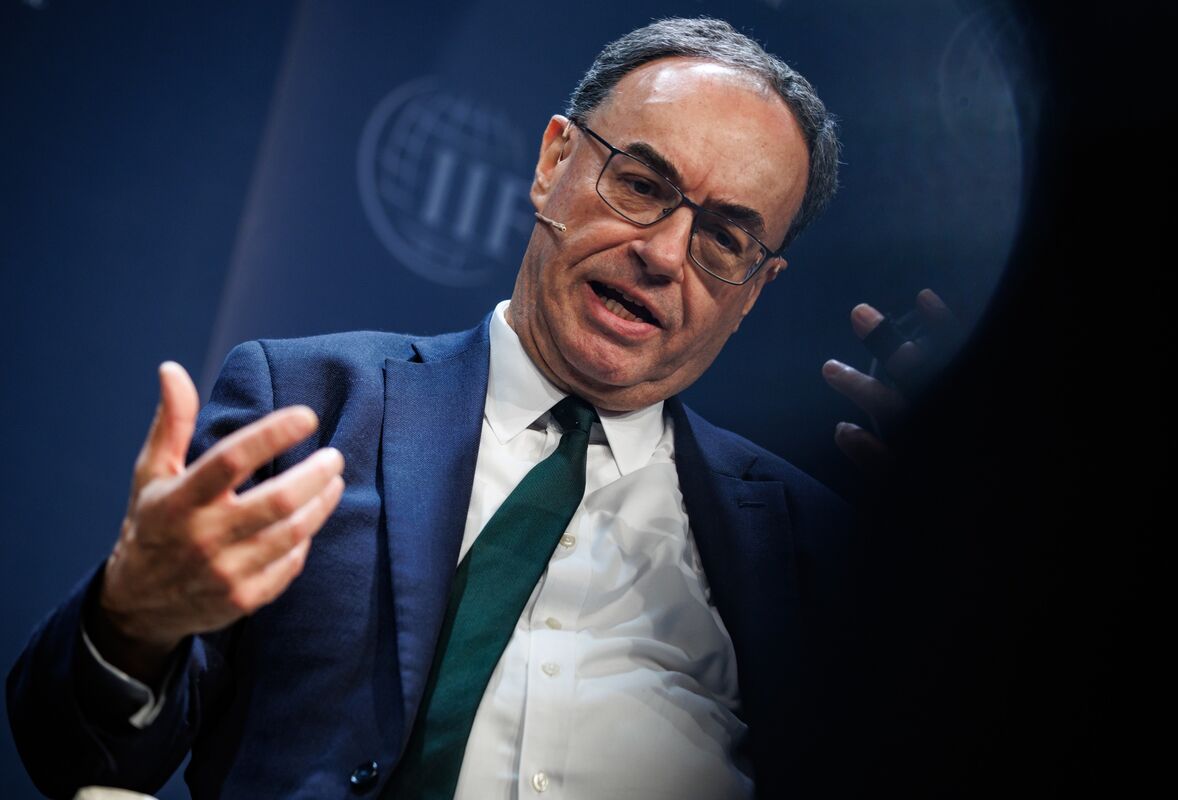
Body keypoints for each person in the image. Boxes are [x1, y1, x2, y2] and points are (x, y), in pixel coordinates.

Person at [7, 16, 952, 800]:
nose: (663, 254)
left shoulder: (809, 547)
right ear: (553, 164)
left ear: (755, 290)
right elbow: (75, 756)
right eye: (641, 186)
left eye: (724, 239)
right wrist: (132, 618)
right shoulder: (311, 406)